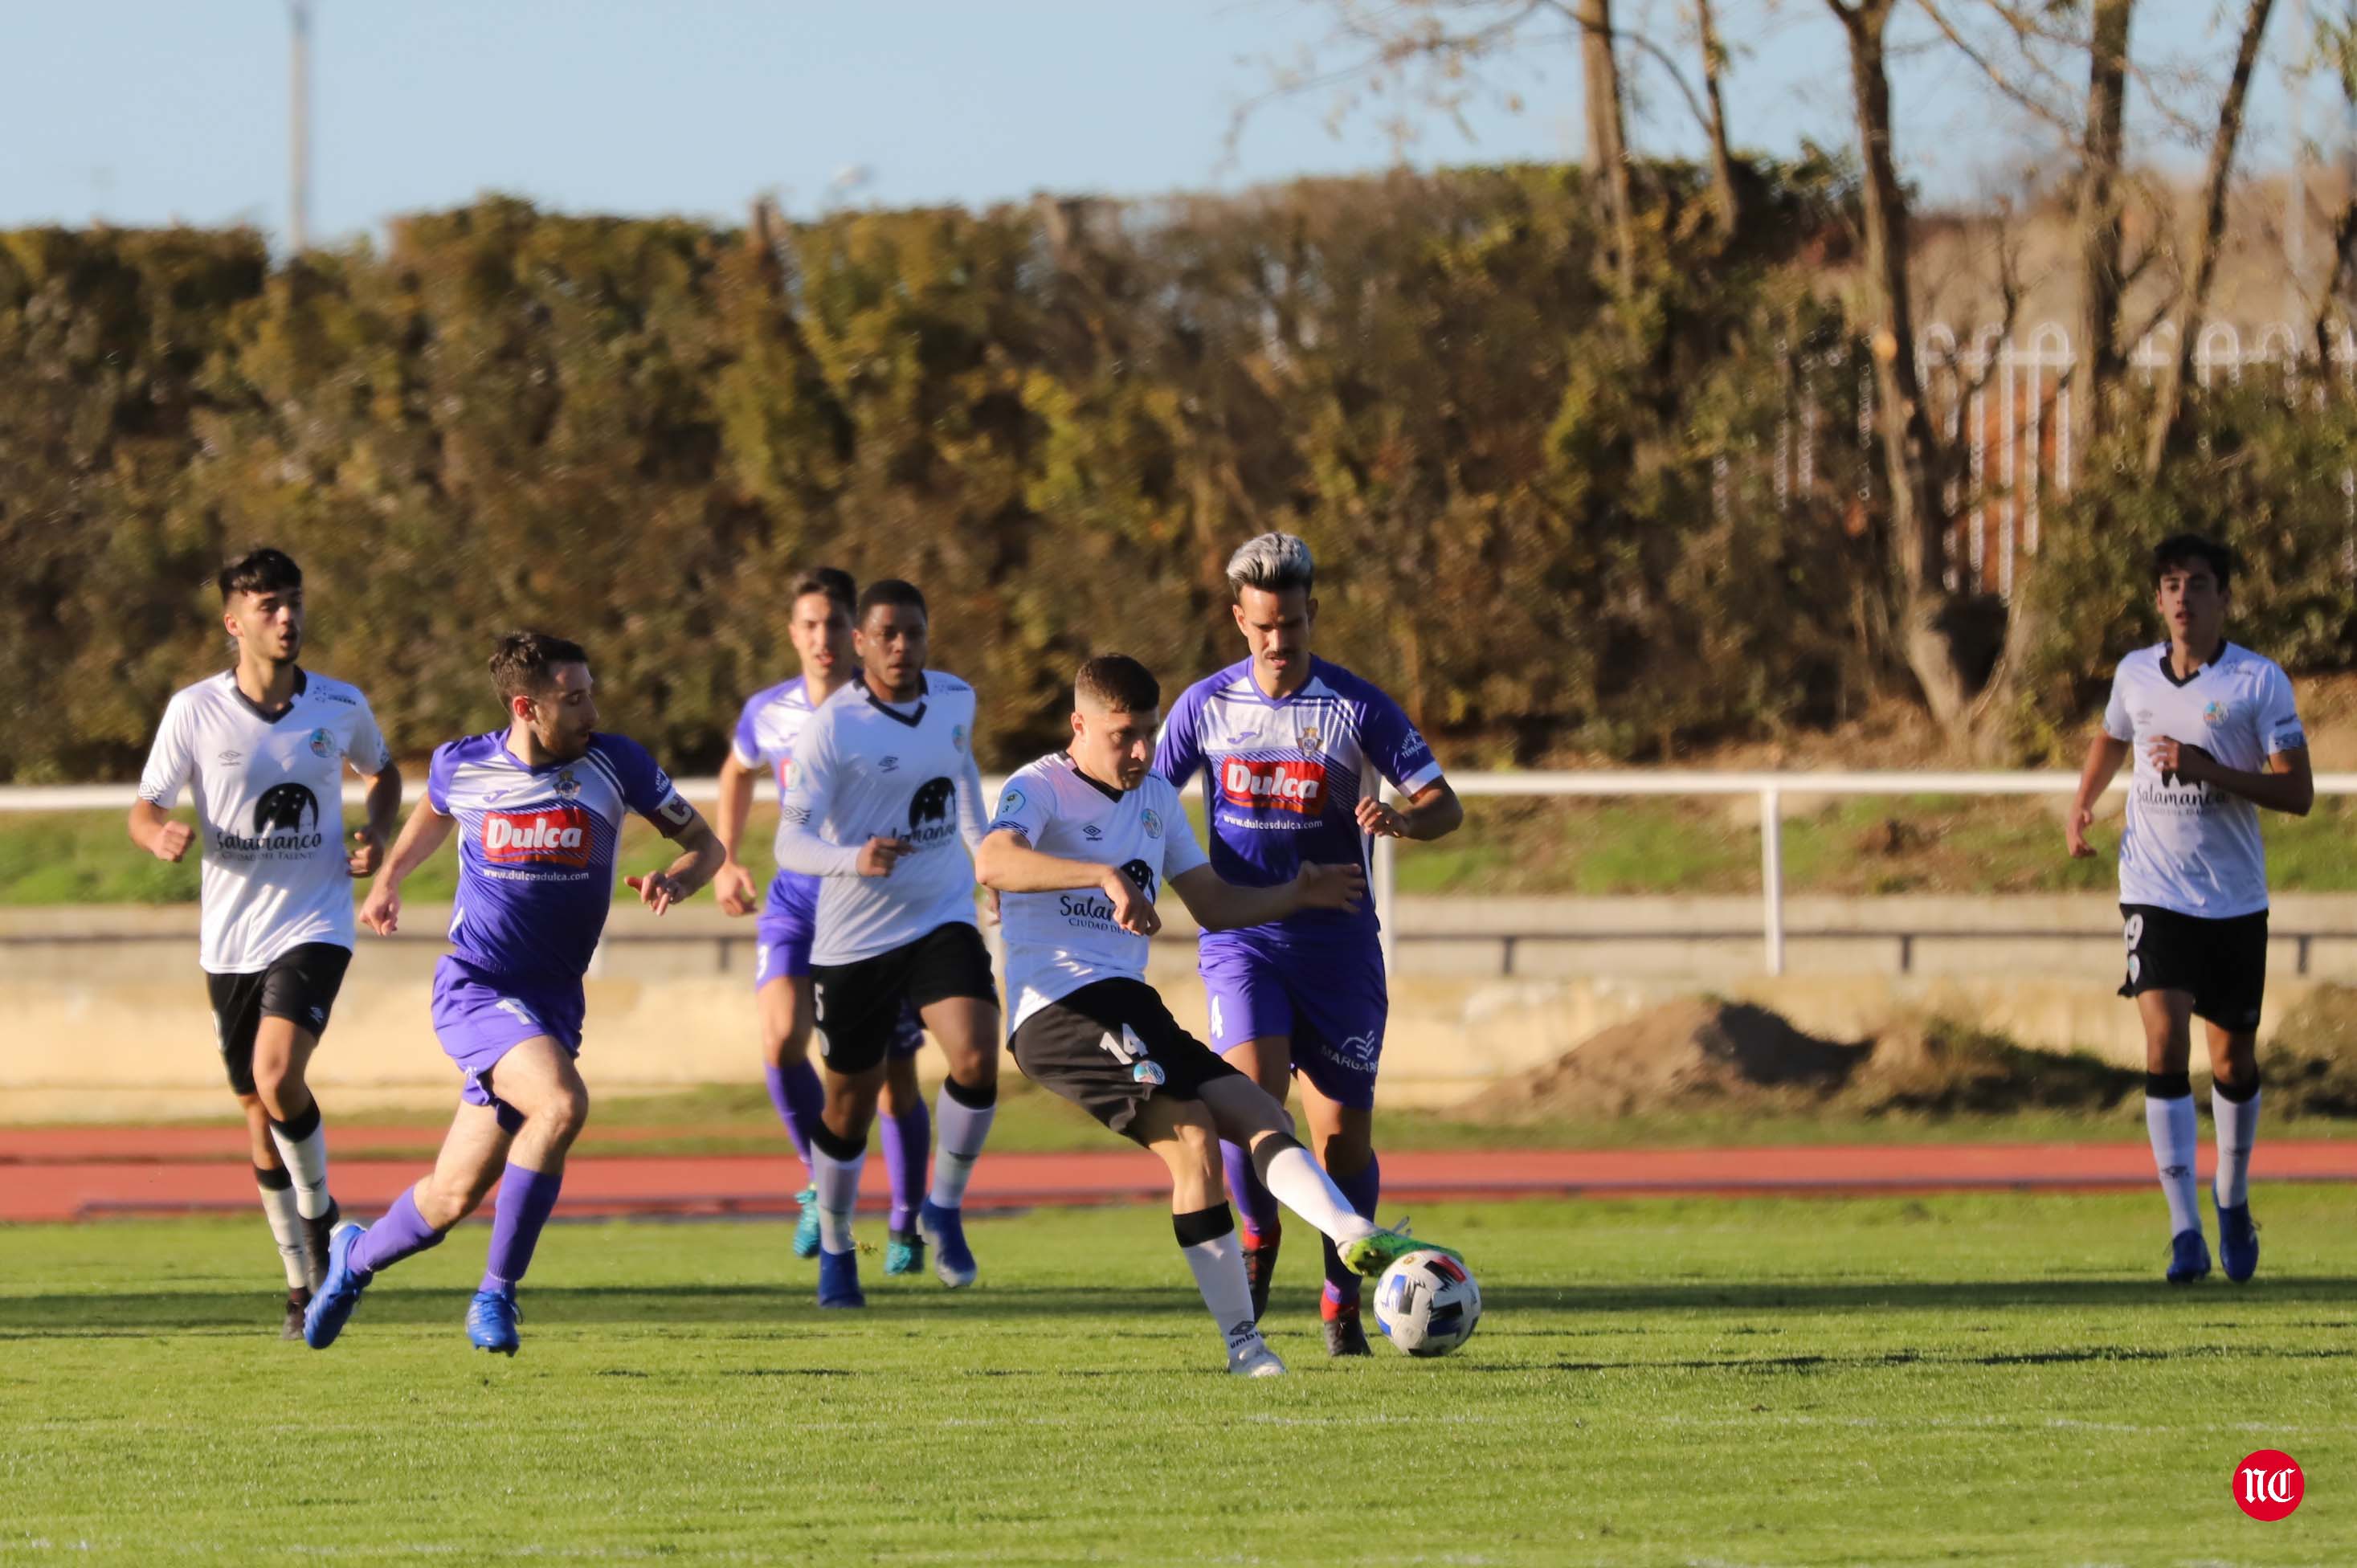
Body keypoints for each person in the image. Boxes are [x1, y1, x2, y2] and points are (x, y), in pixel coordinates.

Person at [978, 654, 1460, 1375]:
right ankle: (1245, 1344)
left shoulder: (1154, 803)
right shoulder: (1039, 786)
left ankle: (1352, 1231)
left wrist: (1294, 893)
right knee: (1193, 1141)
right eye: (1122, 736)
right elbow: (993, 860)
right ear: (1079, 725)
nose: (1142, 752)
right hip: (1056, 1008)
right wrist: (1102, 874)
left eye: (1148, 732)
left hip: (1127, 1004)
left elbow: (1212, 902)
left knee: (1259, 1114)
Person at [302, 631, 723, 1354]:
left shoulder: (617, 763)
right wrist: (390, 880)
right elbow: (432, 811)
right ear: (527, 707)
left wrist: (678, 879)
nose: (593, 710)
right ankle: (496, 1295)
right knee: (561, 1105)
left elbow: (707, 846)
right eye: (575, 698)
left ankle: (351, 1259)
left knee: (451, 1197)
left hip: (553, 1004)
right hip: (476, 987)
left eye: (592, 692)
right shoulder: (463, 765)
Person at [1153, 532, 1463, 1355]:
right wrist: (1116, 881)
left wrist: (1403, 817)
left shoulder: (1356, 707)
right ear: (1238, 619)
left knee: (1341, 1140)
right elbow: (1145, 805)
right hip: (1244, 941)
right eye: (1262, 627)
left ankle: (1341, 1295)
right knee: (1251, 1106)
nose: (1278, 642)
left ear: (1311, 613)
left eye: (1291, 624)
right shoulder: (1204, 706)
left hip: (1338, 950)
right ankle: (1259, 1242)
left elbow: (1445, 802)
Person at [129, 548, 400, 1338]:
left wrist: (374, 835)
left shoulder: (339, 704)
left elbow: (382, 774)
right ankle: (297, 1285)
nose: (288, 618)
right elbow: (145, 804)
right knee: (255, 1107)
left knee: (277, 1074)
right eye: (271, 605)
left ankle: (323, 1229)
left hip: (316, 920)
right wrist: (159, 836)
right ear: (234, 620)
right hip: (230, 936)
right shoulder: (194, 710)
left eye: (295, 603)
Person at [2066, 532, 2310, 1286]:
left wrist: (2209, 769)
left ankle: (2231, 1199)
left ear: (2223, 597)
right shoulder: (2135, 673)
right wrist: (2082, 805)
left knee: (2232, 1058)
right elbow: (2112, 737)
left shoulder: (2258, 683)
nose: (2181, 598)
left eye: (2196, 584)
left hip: (2233, 898)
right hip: (2154, 887)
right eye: (2170, 584)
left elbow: (2297, 793)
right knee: (2163, 1041)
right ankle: (2183, 1232)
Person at [773, 580, 999, 1308]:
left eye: (914, 633)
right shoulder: (833, 728)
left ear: (929, 636)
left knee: (973, 1055)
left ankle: (944, 1207)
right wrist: (854, 859)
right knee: (849, 1108)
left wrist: (984, 856)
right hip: (855, 937)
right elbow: (789, 842)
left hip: (940, 916)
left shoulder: (957, 699)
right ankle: (837, 1247)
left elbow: (961, 776)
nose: (902, 647)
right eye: (887, 634)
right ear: (862, 643)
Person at [712, 567, 933, 1275]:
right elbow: (736, 769)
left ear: (859, 634)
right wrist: (725, 858)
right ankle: (821, 1181)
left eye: (835, 624)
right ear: (792, 634)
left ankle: (904, 1224)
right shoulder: (768, 713)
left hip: (877, 911)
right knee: (780, 1044)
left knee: (895, 1080)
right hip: (796, 901)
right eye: (809, 625)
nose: (822, 639)